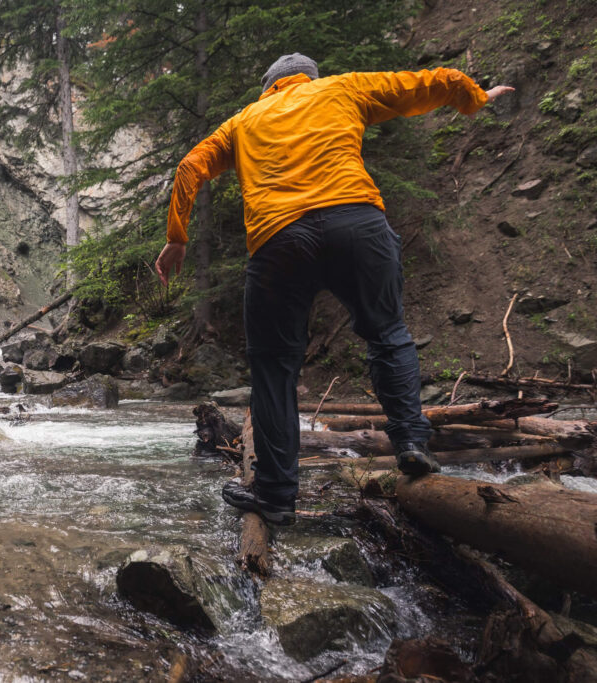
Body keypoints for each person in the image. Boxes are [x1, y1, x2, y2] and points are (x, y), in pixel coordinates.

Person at [155, 53, 514, 525]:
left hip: (279, 240)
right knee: (387, 333)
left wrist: (177, 238)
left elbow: (189, 166)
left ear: (268, 86)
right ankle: (410, 443)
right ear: (310, 77)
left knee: (273, 369)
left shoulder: (243, 121)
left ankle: (277, 496)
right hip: (358, 225)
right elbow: (432, 82)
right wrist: (474, 99)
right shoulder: (343, 88)